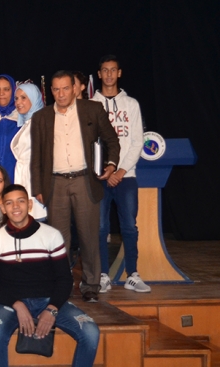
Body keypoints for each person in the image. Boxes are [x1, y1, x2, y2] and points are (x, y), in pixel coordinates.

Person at [30, 70, 120, 302]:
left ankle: (91, 285)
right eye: (56, 89)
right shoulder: (41, 117)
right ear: (51, 91)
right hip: (55, 183)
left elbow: (111, 140)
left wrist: (111, 165)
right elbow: (37, 156)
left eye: (65, 88)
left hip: (84, 181)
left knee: (90, 236)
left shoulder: (92, 109)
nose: (61, 94)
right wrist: (37, 186)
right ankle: (62, 285)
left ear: (75, 88)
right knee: (59, 240)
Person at [0, 184, 99, 367]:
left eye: (20, 201)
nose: (15, 207)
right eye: (9, 203)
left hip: (48, 300)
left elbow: (65, 279)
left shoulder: (51, 235)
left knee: (91, 332)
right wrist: (18, 305)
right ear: (3, 209)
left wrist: (52, 308)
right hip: (11, 304)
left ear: (29, 205)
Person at [91, 55, 148, 293]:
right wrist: (104, 170)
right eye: (105, 70)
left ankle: (132, 274)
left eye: (113, 70)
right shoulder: (91, 104)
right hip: (100, 177)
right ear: (99, 73)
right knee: (101, 228)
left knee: (129, 227)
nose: (109, 75)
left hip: (127, 176)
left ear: (119, 73)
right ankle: (103, 274)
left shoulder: (131, 104)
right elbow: (90, 142)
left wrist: (121, 170)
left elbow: (137, 141)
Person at [10, 83, 48, 220]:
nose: (18, 102)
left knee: (37, 223)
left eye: (23, 98)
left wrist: (40, 189)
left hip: (34, 183)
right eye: (16, 98)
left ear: (35, 98)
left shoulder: (41, 122)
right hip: (23, 178)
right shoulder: (28, 123)